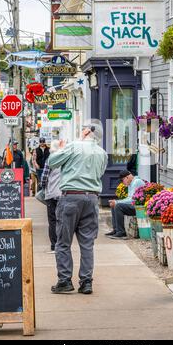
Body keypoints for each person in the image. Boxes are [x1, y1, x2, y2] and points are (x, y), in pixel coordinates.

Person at [48, 123, 108, 295]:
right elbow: (100, 173)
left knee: (63, 242)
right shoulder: (102, 153)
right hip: (92, 198)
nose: (81, 131)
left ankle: (65, 280)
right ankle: (86, 282)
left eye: (83, 129)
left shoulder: (74, 146)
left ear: (88, 131)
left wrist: (58, 149)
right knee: (87, 243)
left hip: (71, 197)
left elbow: (53, 162)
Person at [107, 170, 145, 240]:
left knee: (118, 206)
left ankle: (121, 232)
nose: (122, 183)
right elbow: (129, 198)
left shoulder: (136, 182)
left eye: (122, 180)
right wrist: (116, 202)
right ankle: (116, 230)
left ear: (127, 177)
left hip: (140, 207)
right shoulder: (131, 183)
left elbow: (132, 200)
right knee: (115, 205)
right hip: (135, 205)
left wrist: (117, 202)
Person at [41, 140, 63, 254]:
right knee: (62, 220)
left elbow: (44, 178)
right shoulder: (65, 160)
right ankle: (62, 244)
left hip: (51, 193)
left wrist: (43, 187)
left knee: (52, 220)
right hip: (63, 194)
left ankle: (54, 245)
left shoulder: (50, 160)